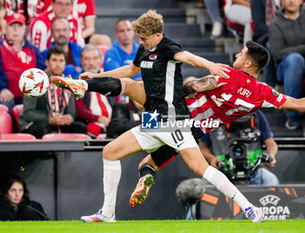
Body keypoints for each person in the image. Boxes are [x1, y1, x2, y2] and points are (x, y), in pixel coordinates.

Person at [53, 39, 305, 220]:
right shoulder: (263, 93)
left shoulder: (225, 75)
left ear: (248, 63)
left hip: (177, 114)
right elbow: (299, 104)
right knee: (148, 163)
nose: (236, 56)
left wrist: (187, 80)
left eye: (240, 54)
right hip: (197, 130)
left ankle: (85, 84)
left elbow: (192, 86)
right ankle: (248, 207)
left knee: (130, 87)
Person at [53, 10, 266, 223]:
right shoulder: (144, 49)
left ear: (157, 35)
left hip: (174, 121)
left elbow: (187, 57)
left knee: (201, 169)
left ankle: (250, 208)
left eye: (144, 38)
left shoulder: (167, 47)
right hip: (153, 120)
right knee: (110, 152)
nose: (141, 42)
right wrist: (97, 74)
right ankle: (108, 213)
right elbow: (130, 69)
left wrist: (209, 65)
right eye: (139, 38)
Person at [269, 0, 305, 130]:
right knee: (295, 60)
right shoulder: (276, 24)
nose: (291, 1)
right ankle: (292, 114)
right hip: (286, 67)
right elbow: (278, 54)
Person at [19, 46, 86, 139]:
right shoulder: (34, 81)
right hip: (39, 123)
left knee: (80, 128)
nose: (58, 64)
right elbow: (28, 113)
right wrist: (49, 119)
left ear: (65, 63)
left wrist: (69, 118)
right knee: (44, 128)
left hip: (60, 123)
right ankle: (50, 154)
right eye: (54, 60)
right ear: (47, 62)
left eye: (61, 61)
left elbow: (72, 112)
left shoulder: (69, 84)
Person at [199, 110, 279, 185]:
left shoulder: (256, 115)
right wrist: (212, 158)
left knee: (271, 181)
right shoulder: (212, 117)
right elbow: (202, 146)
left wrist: (271, 155)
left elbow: (270, 142)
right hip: (222, 171)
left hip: (254, 171)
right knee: (202, 187)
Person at [0, 13, 45, 116]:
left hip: (29, 96)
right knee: (4, 103)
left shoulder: (33, 50)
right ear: (5, 28)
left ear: (25, 29)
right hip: (7, 94)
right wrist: (2, 88)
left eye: (19, 26)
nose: (16, 29)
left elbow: (42, 70)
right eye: (12, 26)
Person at [75, 44, 112, 137]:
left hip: (112, 121)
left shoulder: (109, 79)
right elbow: (80, 110)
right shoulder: (77, 82)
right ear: (81, 61)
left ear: (101, 59)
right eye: (87, 59)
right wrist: (98, 118)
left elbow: (116, 103)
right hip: (91, 122)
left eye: (95, 58)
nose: (91, 63)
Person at [250, 0, 278, 87]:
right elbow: (259, 26)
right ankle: (270, 87)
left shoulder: (289, 2)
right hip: (267, 36)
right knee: (270, 46)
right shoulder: (257, 2)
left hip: (289, 36)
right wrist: (277, 32)